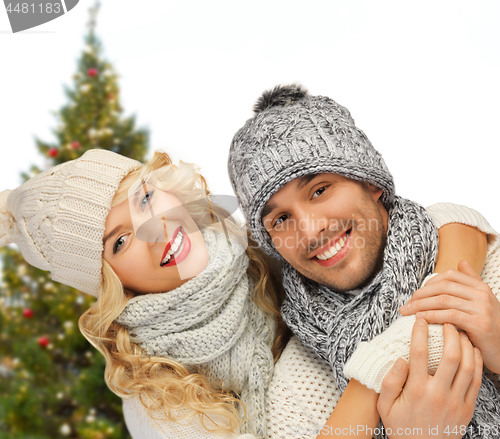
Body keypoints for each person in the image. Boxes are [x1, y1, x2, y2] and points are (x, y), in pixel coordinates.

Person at [0, 149, 487, 439]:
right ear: (109, 283)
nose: (154, 229)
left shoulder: (253, 248)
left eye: (144, 198)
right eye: (120, 242)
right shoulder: (157, 404)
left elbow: (428, 224)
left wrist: (424, 318)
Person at [228, 84, 500, 437]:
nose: (310, 232)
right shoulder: (295, 391)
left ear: (370, 183)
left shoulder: (487, 279)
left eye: (320, 190)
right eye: (280, 219)